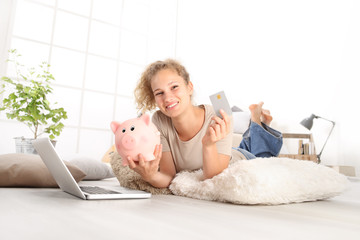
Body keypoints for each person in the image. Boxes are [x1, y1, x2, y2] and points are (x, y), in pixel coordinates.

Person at [128, 59, 282, 188]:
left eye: (174, 87)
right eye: (159, 93)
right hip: (227, 152)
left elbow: (213, 178)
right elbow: (169, 175)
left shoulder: (219, 114)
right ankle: (257, 125)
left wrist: (208, 145)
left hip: (237, 160)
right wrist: (150, 176)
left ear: (189, 87)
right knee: (245, 146)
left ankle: (257, 122)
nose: (167, 98)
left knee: (264, 156)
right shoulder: (159, 120)